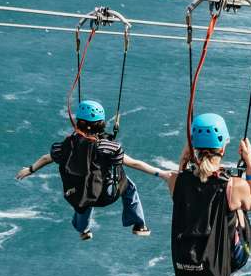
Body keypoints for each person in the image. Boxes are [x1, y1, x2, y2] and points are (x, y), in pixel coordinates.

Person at [16, 100, 161, 241]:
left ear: (78, 122)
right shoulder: (109, 147)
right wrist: (161, 174)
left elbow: (46, 158)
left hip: (80, 194)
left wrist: (30, 170)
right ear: (101, 123)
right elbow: (134, 163)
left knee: (83, 194)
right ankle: (139, 225)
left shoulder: (64, 147)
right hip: (108, 194)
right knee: (128, 187)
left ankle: (83, 230)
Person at [162, 113, 251, 276]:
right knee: (239, 209)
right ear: (222, 148)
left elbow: (183, 187)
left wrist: (183, 161)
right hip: (229, 259)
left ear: (193, 147)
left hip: (188, 259)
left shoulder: (176, 181)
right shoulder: (234, 184)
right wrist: (249, 164)